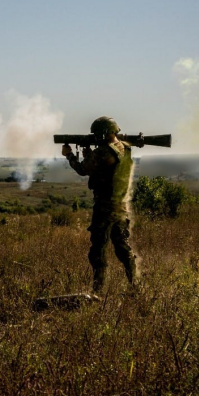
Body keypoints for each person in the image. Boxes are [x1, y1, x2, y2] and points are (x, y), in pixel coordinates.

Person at [62, 116, 138, 293]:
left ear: (103, 133)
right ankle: (135, 285)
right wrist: (90, 154)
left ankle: (98, 290)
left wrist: (70, 155)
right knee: (122, 246)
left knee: (97, 250)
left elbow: (82, 169)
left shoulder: (102, 152)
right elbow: (106, 167)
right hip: (120, 205)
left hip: (104, 206)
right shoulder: (124, 148)